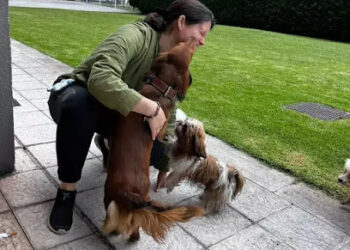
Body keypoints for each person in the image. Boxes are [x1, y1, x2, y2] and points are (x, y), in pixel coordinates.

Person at [47, 0, 215, 234]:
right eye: (202, 32)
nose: (203, 41)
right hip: (79, 100)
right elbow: (100, 77)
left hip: (117, 113)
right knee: (79, 105)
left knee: (156, 150)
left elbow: (171, 109)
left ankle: (108, 144)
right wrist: (151, 108)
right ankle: (67, 190)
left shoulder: (174, 61)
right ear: (182, 22)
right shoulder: (135, 35)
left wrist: (164, 164)